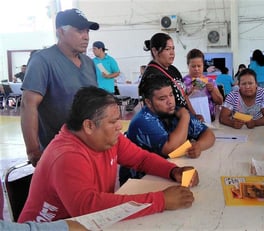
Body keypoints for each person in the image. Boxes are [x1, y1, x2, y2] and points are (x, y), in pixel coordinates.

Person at [18, 86, 198, 223]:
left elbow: (141, 159)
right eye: (113, 122)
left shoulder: (108, 139)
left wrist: (172, 171)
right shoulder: (66, 155)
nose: (119, 126)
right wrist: (160, 201)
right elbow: (88, 208)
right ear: (89, 126)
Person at [20, 8, 99, 167]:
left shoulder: (88, 63)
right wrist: (33, 150)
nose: (86, 36)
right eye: (79, 31)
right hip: (59, 153)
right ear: (61, 32)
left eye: (87, 31)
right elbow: (28, 105)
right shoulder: (43, 61)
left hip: (90, 149)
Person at [141, 33, 201, 120]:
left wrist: (194, 115)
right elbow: (156, 108)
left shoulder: (173, 69)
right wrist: (183, 118)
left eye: (173, 48)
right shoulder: (151, 75)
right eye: (167, 49)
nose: (172, 53)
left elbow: (184, 96)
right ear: (155, 51)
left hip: (184, 118)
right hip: (170, 123)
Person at [183, 49, 223, 121]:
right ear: (188, 65)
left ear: (203, 65)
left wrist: (212, 90)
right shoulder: (183, 82)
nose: (196, 69)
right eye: (193, 66)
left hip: (210, 119)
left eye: (199, 66)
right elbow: (180, 103)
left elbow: (220, 101)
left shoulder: (210, 81)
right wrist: (189, 93)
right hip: (191, 120)